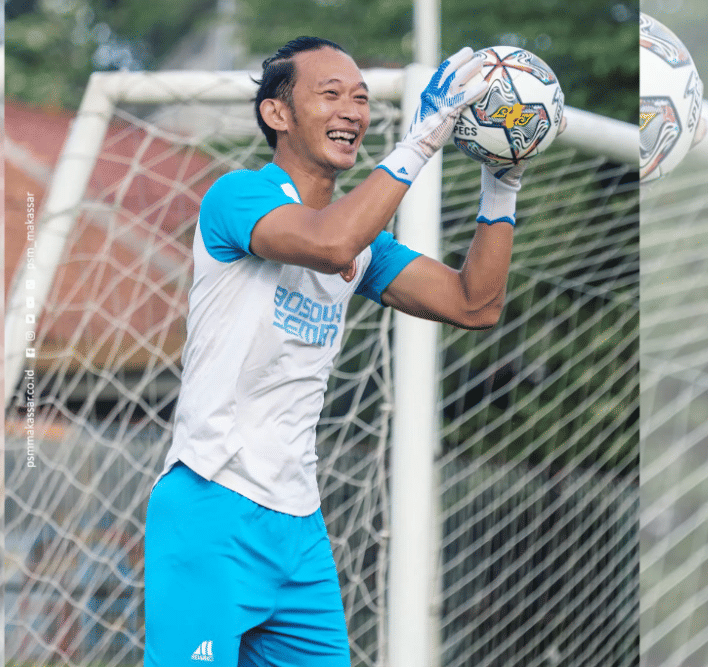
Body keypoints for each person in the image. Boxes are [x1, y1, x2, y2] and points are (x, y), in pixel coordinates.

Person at [144, 36, 530, 666]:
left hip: (298, 527)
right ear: (277, 113)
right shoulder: (237, 196)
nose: (352, 110)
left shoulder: (364, 245)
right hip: (212, 508)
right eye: (330, 95)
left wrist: (501, 185)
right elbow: (328, 243)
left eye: (361, 99)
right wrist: (421, 141)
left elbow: (474, 305)